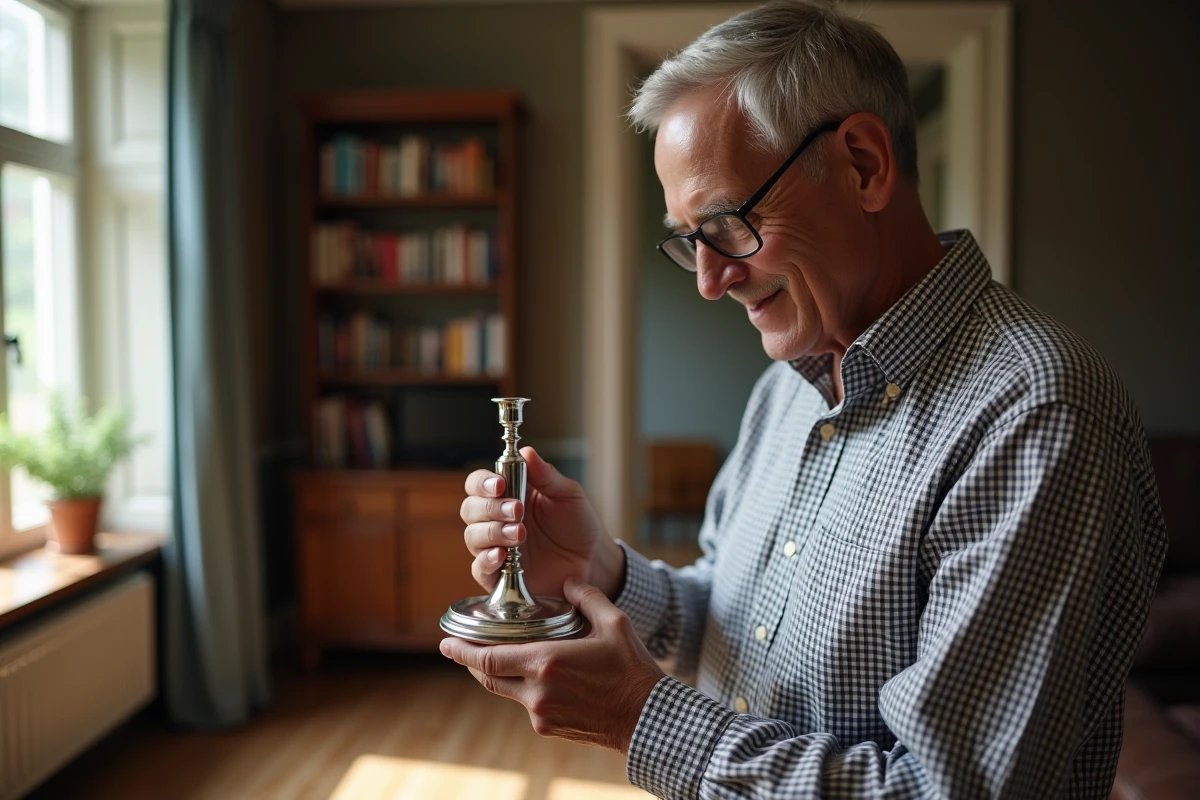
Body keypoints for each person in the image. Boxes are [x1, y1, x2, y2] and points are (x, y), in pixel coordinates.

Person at [439, 1, 1167, 796]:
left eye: (727, 222)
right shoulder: (783, 393)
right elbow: (736, 624)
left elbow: (944, 790)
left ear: (863, 165)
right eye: (690, 239)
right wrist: (598, 571)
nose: (710, 281)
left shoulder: (1036, 417)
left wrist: (639, 719)